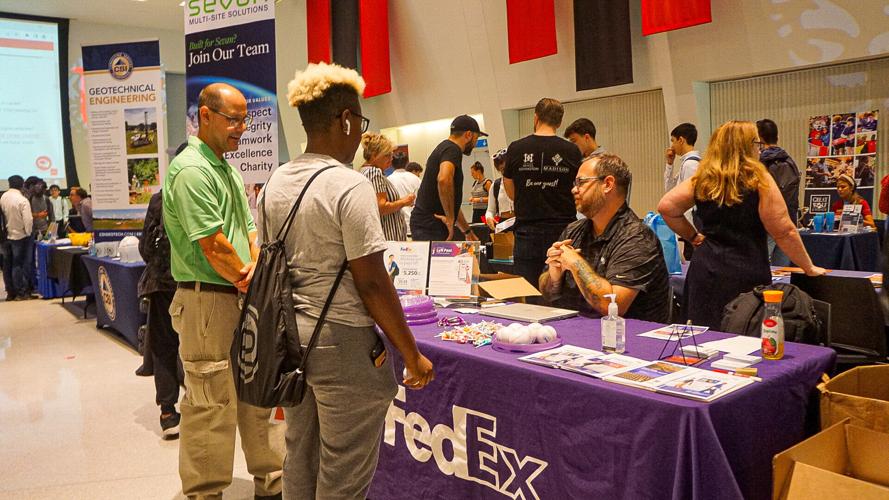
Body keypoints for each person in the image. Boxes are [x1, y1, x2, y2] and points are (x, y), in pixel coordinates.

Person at [263, 61, 434, 499]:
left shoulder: (274, 182)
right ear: (345, 119)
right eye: (359, 119)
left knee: (299, 454)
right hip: (342, 344)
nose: (359, 131)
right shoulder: (348, 185)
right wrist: (411, 353)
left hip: (290, 342)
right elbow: (372, 282)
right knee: (344, 471)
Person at [162, 83, 284, 500]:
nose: (242, 128)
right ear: (206, 116)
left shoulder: (225, 167)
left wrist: (253, 274)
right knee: (210, 403)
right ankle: (206, 492)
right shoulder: (192, 170)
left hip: (240, 294)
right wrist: (247, 277)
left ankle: (271, 484)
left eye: (245, 119)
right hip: (208, 301)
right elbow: (212, 243)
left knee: (258, 392)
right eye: (233, 119)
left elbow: (249, 230)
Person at [658, 120, 825, 329]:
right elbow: (783, 229)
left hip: (706, 269)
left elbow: (667, 207)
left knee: (702, 339)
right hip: (746, 269)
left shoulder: (703, 178)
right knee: (743, 334)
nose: (759, 148)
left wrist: (692, 237)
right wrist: (808, 267)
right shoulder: (758, 178)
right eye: (756, 143)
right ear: (747, 146)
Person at [539, 154, 670, 322]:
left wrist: (575, 263)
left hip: (625, 341)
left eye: (581, 182)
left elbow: (612, 306)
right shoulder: (573, 230)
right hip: (576, 333)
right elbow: (547, 292)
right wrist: (554, 275)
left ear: (607, 184)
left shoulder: (637, 237)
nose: (574, 189)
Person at [503, 98, 583, 293]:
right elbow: (579, 188)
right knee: (561, 290)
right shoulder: (572, 150)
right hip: (563, 233)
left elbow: (509, 188)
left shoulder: (516, 148)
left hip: (527, 231)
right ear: (559, 122)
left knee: (529, 292)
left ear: (536, 117)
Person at [137, 190, 182, 439]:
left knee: (164, 346)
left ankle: (168, 412)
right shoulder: (207, 188)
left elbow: (145, 247)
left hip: (162, 283)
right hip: (197, 283)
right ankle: (204, 409)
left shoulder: (160, 198)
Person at [410, 115, 486, 241]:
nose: (475, 143)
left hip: (427, 223)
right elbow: (444, 179)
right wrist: (450, 219)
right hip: (431, 225)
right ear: (468, 135)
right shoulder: (453, 149)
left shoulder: (444, 147)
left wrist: (467, 231)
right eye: (476, 138)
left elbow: (452, 203)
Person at [756, 119, 800, 266]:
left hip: (764, 224)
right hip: (787, 222)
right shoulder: (790, 161)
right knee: (782, 274)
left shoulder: (758, 163)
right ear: (777, 137)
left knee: (760, 268)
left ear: (758, 138)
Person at [359, 132, 415, 241]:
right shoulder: (374, 172)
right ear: (374, 155)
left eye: (391, 155)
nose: (391, 159)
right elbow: (382, 207)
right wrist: (404, 202)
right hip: (388, 239)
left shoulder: (366, 171)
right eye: (387, 155)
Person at [664, 123, 701, 261]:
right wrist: (669, 164)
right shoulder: (686, 163)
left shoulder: (691, 165)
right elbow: (670, 190)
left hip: (692, 227)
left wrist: (688, 233)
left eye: (673, 141)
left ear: (681, 140)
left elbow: (690, 202)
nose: (672, 146)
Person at [0, 176, 35, 301]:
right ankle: (22, 292)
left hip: (5, 236)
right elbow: (28, 220)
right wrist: (28, 233)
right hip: (20, 236)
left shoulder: (3, 197)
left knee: (7, 264)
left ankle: (11, 292)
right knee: (19, 264)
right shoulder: (22, 200)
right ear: (22, 185)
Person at [387, 152, 421, 237]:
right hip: (416, 225)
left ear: (391, 164)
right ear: (407, 163)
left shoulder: (388, 180)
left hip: (396, 227)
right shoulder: (416, 179)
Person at [484, 148, 515, 231]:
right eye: (502, 170)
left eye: (507, 168)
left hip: (521, 223)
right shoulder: (495, 185)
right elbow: (490, 210)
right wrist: (489, 218)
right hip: (502, 225)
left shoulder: (522, 182)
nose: (505, 172)